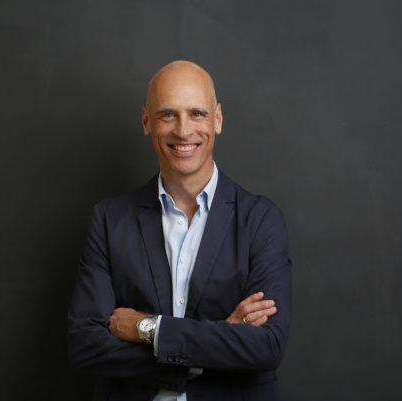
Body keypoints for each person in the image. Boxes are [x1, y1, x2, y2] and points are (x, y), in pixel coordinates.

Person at [68, 60, 292, 401]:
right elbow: (86, 344)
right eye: (168, 115)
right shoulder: (110, 220)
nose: (183, 131)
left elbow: (266, 346)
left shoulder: (261, 220)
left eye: (197, 114)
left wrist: (146, 328)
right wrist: (214, 345)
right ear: (147, 121)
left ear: (218, 119)